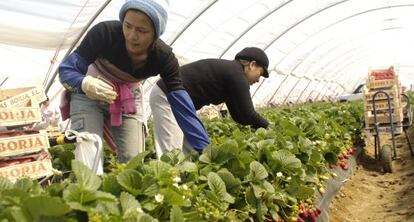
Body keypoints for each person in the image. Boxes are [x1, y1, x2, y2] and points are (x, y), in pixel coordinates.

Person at [58, 0, 209, 163]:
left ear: (155, 33)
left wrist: (205, 150)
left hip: (127, 99)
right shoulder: (104, 33)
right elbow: (66, 69)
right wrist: (85, 83)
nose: (131, 36)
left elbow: (182, 106)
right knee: (89, 157)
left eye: (142, 30)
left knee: (134, 161)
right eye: (127, 26)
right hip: (88, 94)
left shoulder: (163, 57)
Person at [150, 47, 270, 158]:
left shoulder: (231, 73)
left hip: (178, 102)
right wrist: (267, 126)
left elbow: (239, 116)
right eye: (260, 73)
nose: (258, 80)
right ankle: (170, 178)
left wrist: (257, 127)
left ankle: (182, 177)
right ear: (252, 65)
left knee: (191, 149)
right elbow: (248, 113)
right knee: (171, 150)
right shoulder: (236, 74)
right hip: (167, 95)